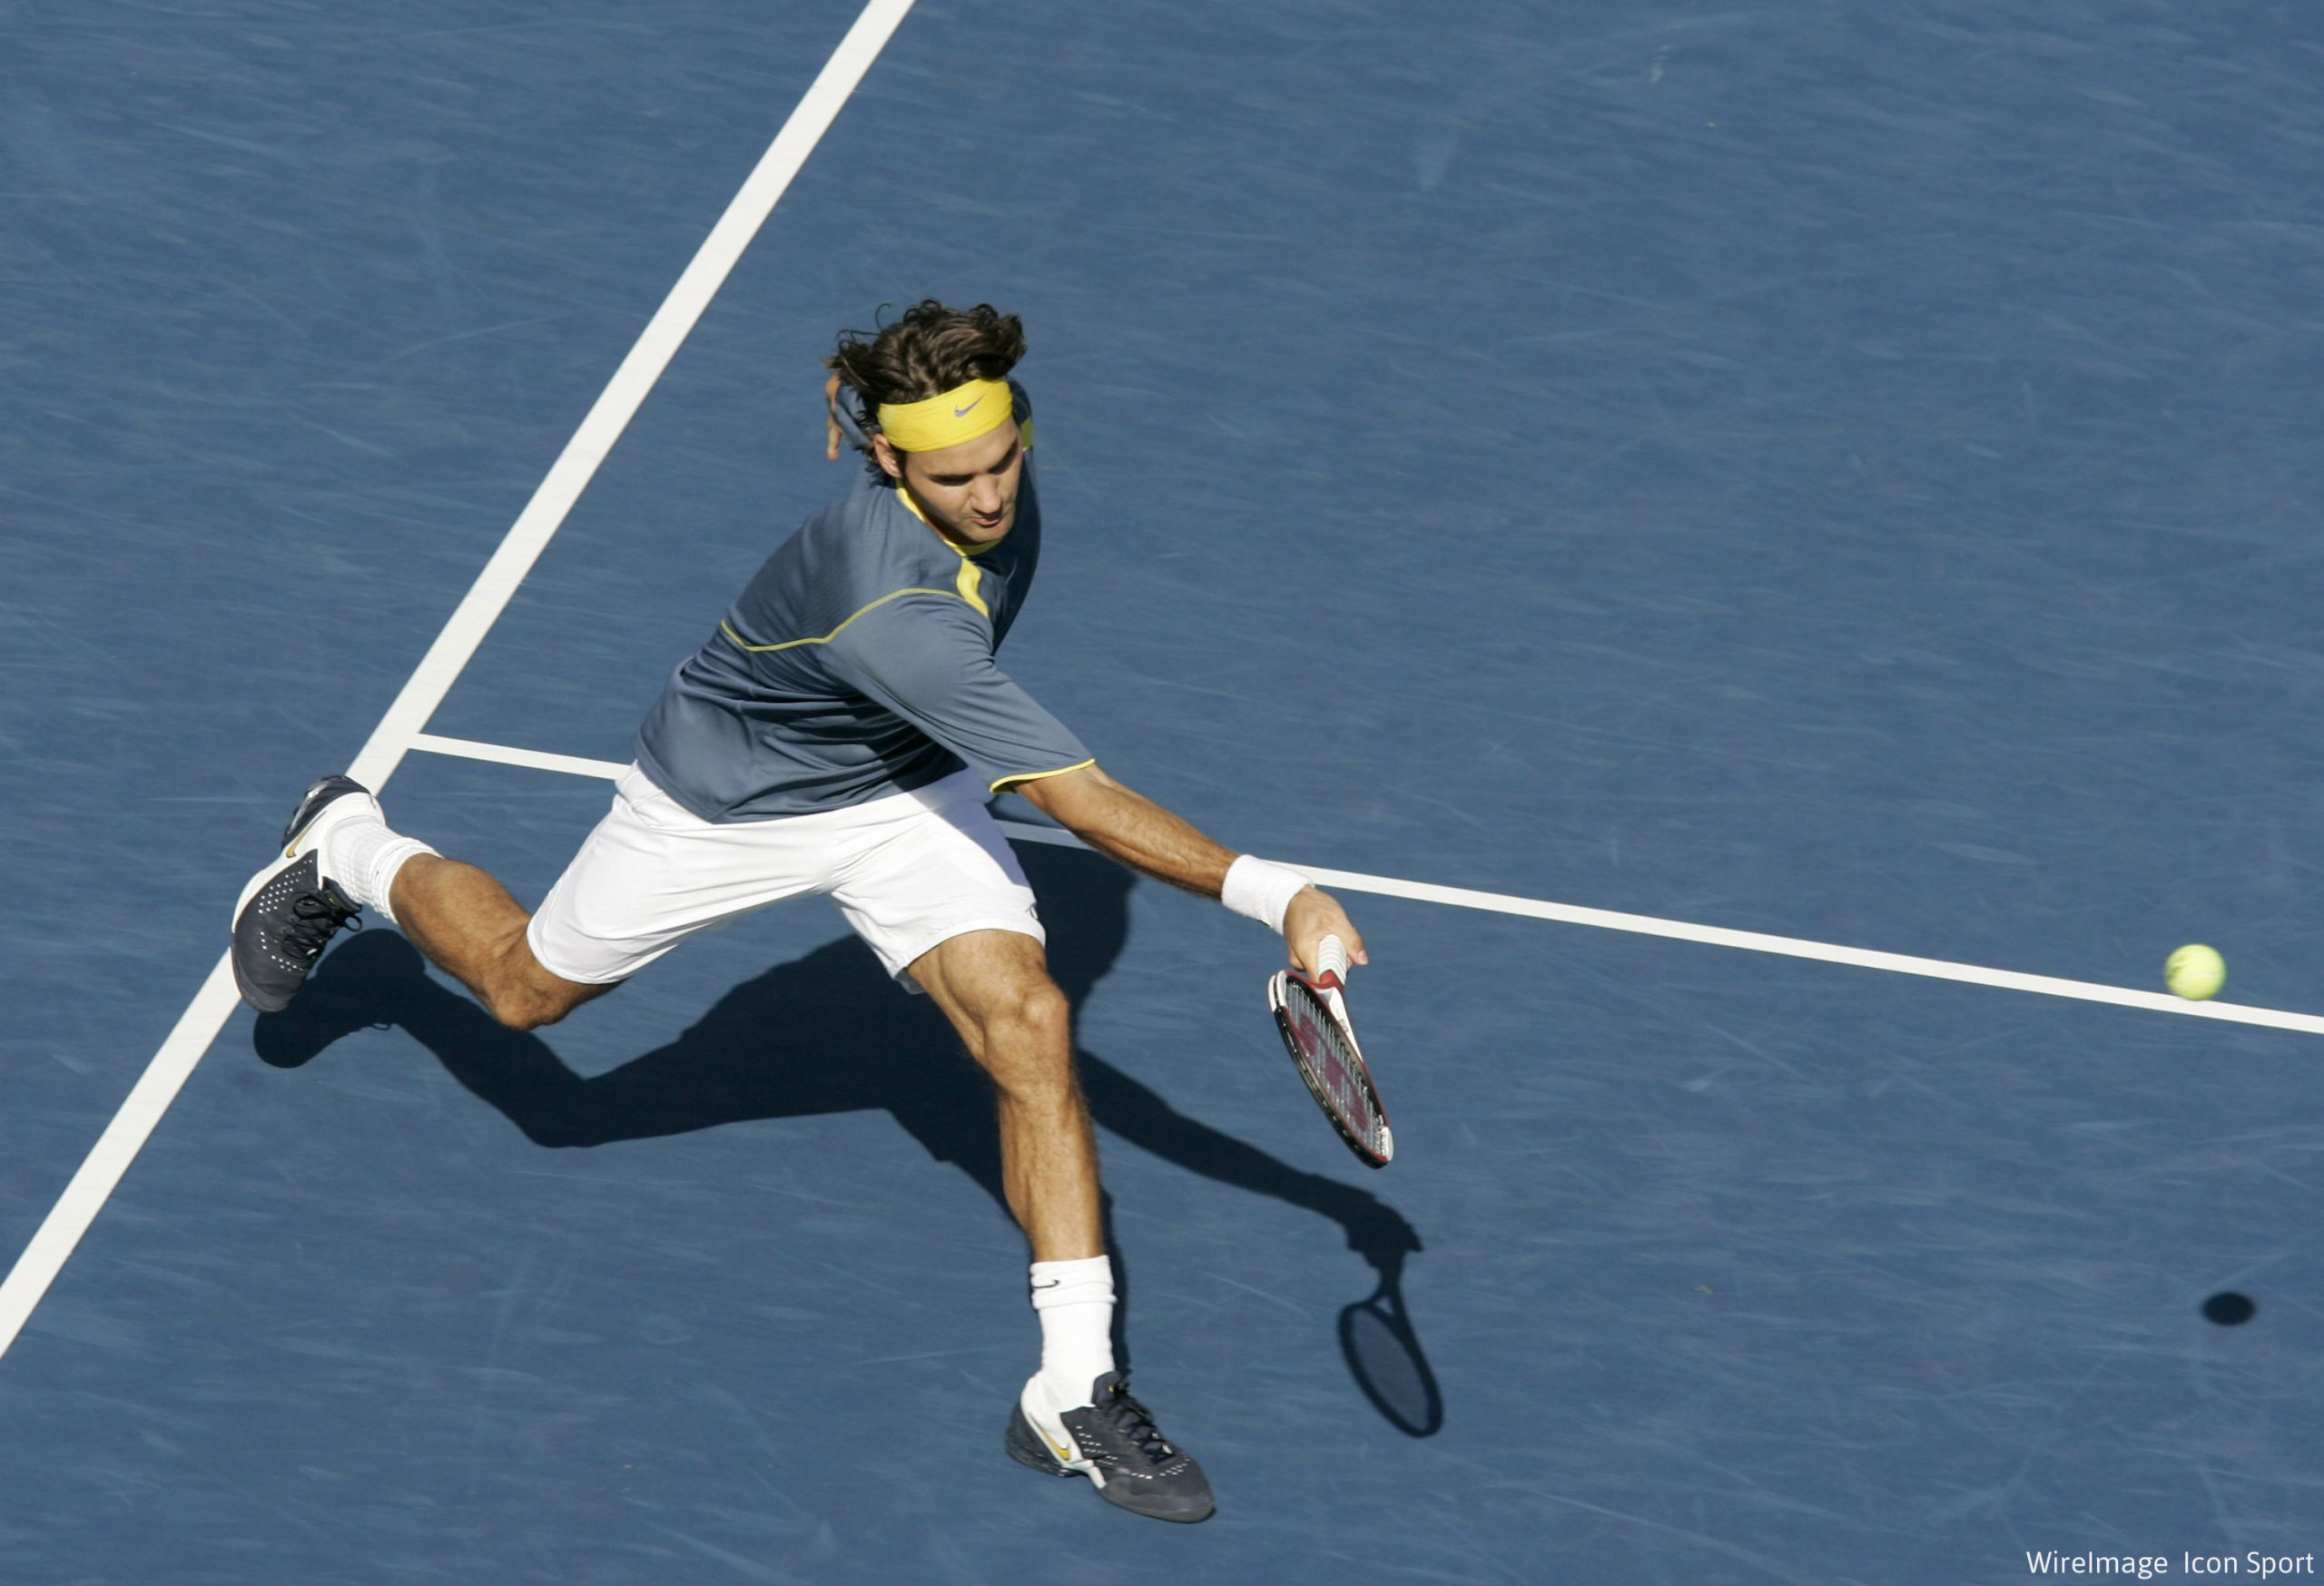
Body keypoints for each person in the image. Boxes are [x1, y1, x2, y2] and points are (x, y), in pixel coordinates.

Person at [230, 300, 1366, 1524]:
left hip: (902, 788)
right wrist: (1280, 893)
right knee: (524, 994)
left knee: (1029, 1025)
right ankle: (345, 846)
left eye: (1003, 463)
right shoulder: (895, 614)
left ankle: (1073, 1389)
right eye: (956, 478)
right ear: (888, 462)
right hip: (722, 809)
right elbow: (1081, 801)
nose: (990, 498)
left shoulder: (981, 495)